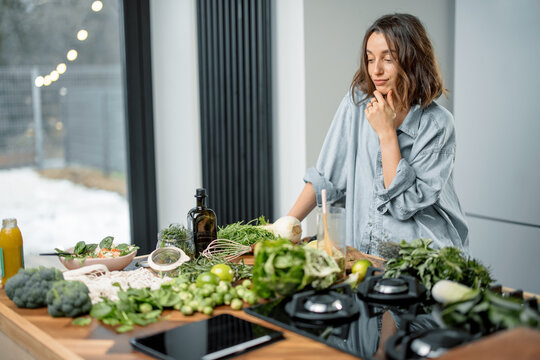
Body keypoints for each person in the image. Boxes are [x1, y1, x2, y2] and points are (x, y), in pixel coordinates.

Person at [287, 13, 469, 256]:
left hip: (420, 257)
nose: (376, 70)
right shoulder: (356, 105)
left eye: (388, 59)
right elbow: (324, 179)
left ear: (412, 60)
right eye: (370, 59)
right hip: (363, 255)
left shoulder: (437, 124)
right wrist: (282, 229)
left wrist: (386, 133)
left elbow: (405, 205)